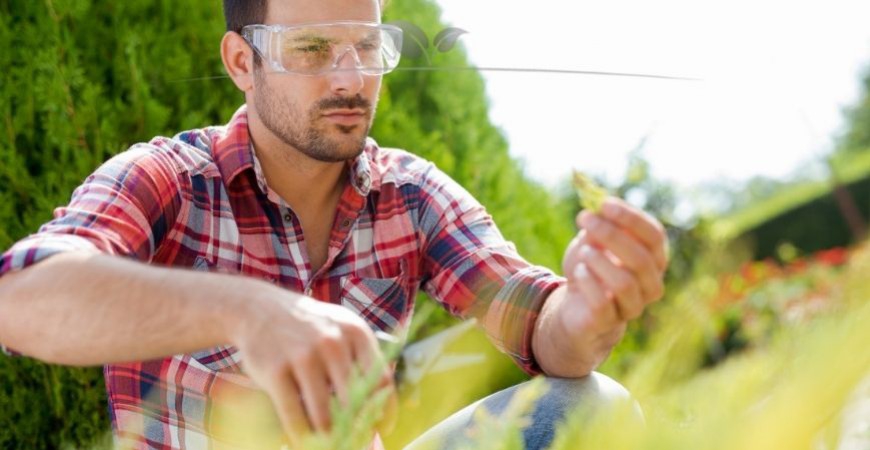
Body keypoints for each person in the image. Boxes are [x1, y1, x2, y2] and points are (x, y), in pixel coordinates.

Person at [0, 0, 668, 448]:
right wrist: (248, 312)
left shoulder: (411, 194)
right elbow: (19, 299)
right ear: (241, 62)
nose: (351, 79)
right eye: (314, 48)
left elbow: (541, 325)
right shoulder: (168, 178)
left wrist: (586, 313)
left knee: (590, 403)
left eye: (367, 47)